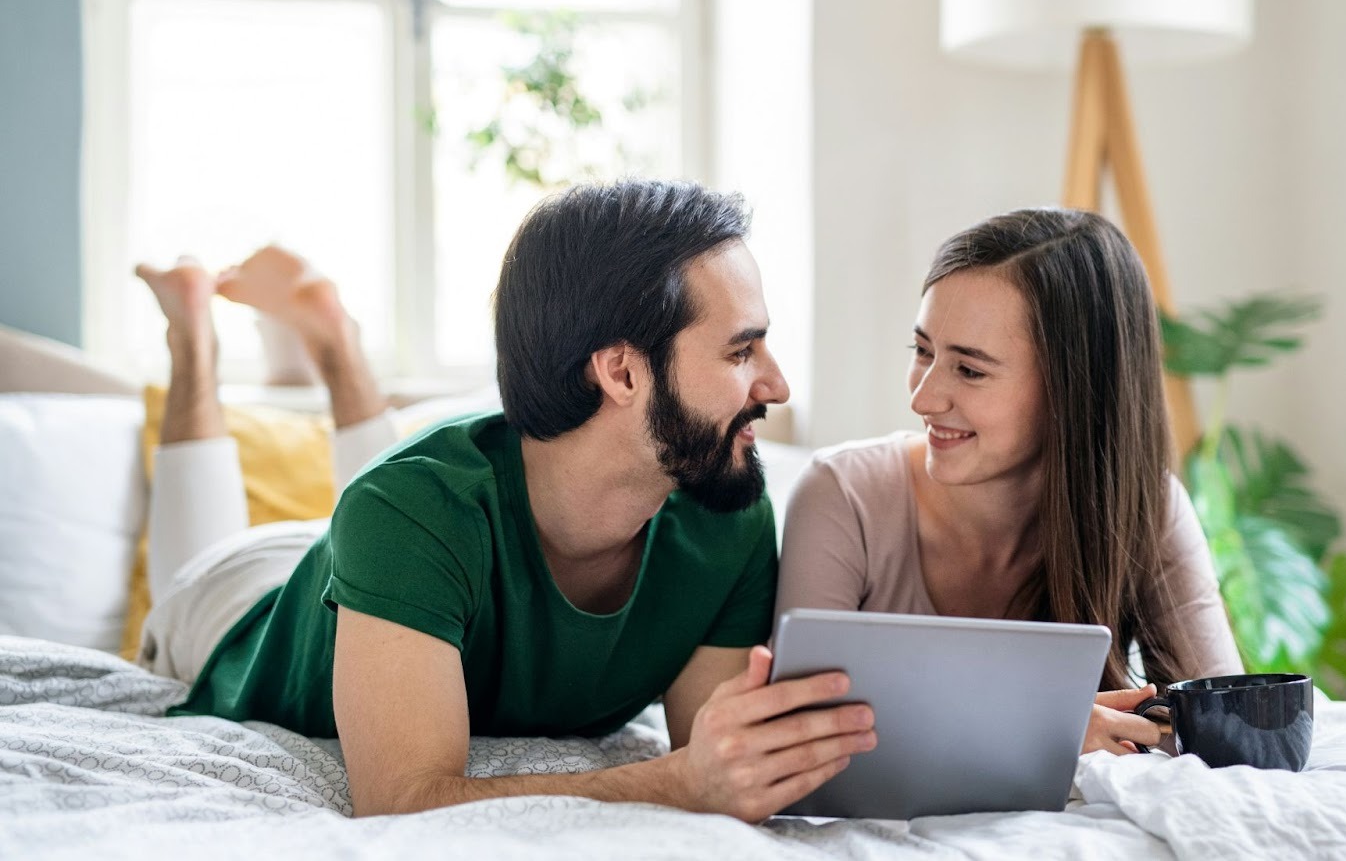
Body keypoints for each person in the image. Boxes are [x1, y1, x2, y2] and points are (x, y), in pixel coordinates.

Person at [133, 180, 876, 822]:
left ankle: (334, 341)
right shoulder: (406, 509)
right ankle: (192, 337)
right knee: (211, 566)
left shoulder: (726, 507)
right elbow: (402, 801)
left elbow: (714, 755)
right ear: (620, 372)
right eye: (741, 352)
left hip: (403, 549)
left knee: (407, 507)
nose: (777, 385)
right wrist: (675, 785)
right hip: (245, 594)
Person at [775, 207, 1243, 755]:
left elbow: (1227, 723)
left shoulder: (1146, 508)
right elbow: (792, 737)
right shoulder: (843, 497)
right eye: (923, 351)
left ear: (1073, 392)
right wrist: (1040, 731)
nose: (922, 398)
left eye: (969, 370)